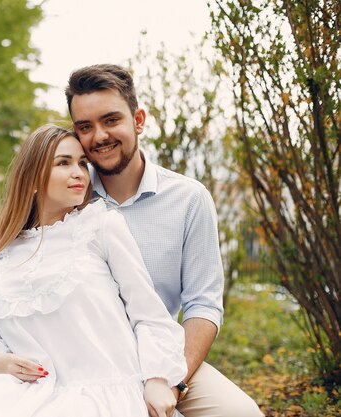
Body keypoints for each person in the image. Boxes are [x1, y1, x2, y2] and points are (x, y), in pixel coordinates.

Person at [65, 64, 262, 417]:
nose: (98, 137)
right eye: (85, 127)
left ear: (138, 120)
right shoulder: (67, 196)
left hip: (162, 356)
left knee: (241, 413)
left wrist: (175, 380)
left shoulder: (189, 199)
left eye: (111, 120)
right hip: (83, 357)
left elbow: (203, 303)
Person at [0, 124, 187, 417]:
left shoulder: (101, 225)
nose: (79, 172)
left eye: (82, 163)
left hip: (105, 388)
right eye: (64, 163)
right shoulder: (4, 256)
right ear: (33, 179)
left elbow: (148, 313)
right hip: (35, 387)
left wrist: (158, 379)